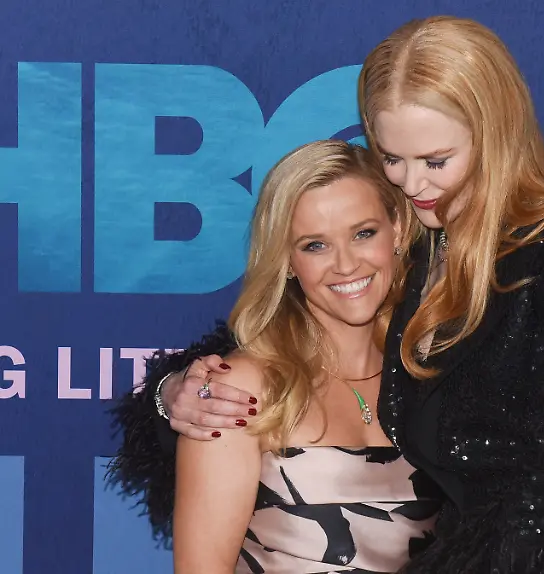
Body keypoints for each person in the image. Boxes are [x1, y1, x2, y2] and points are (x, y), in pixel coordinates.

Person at [110, 15, 544, 573]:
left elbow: (539, 481)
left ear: (495, 134)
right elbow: (266, 360)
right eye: (393, 159)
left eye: (436, 161)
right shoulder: (421, 273)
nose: (415, 184)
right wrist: (171, 392)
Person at [172, 139, 443, 573]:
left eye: (363, 233)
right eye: (315, 245)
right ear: (287, 261)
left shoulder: (441, 381)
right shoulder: (237, 391)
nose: (345, 264)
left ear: (398, 230)